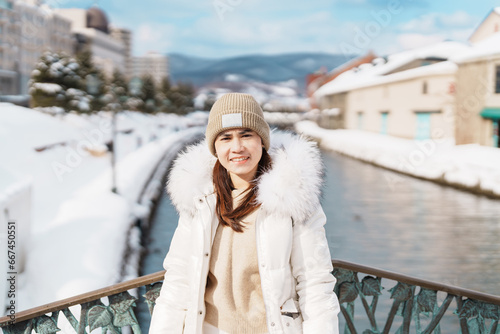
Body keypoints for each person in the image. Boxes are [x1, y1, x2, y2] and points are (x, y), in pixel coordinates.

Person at [149, 93, 340, 334]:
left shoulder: (292, 197)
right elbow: (178, 280)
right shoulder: (200, 200)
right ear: (214, 147)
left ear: (262, 140)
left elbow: (314, 283)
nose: (237, 147)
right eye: (226, 138)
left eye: (246, 135)